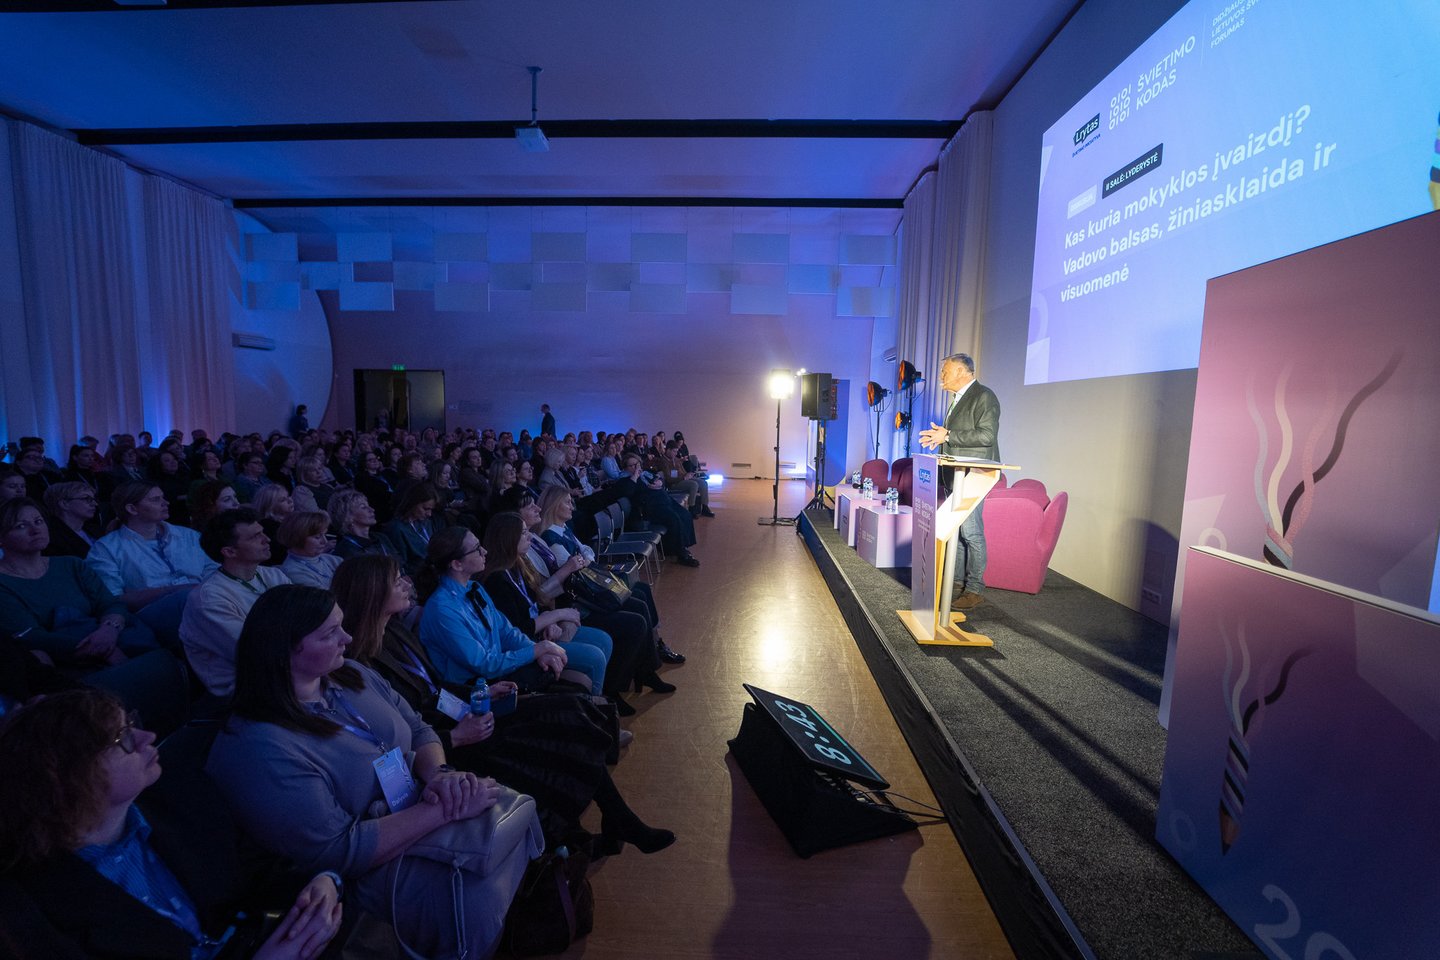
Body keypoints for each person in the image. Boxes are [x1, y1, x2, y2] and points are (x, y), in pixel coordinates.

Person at [206, 586, 542, 960]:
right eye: (330, 633)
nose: (347, 639)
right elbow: (338, 851)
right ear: (286, 649)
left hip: (420, 804)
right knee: (475, 896)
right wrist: (444, 810)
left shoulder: (351, 674)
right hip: (366, 870)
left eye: (341, 626)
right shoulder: (259, 746)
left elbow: (419, 729)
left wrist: (440, 775)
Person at [332, 555, 672, 853]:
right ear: (373, 593)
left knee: (571, 710)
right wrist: (455, 737)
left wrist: (481, 692)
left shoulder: (394, 632)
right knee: (559, 727)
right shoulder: (359, 665)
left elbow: (434, 690)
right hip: (446, 745)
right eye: (396, 581)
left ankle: (613, 820)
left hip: (465, 714)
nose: (407, 583)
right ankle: (589, 831)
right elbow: (396, 735)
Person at [0, 688, 345, 960]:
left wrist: (324, 883)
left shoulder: (182, 795)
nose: (147, 737)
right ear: (70, 779)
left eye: (131, 723)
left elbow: (265, 871)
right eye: (122, 738)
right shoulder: (30, 906)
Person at [479, 511, 634, 704]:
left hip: (543, 631)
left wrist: (549, 622)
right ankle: (595, 706)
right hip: (527, 643)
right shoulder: (496, 580)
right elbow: (518, 628)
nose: (529, 537)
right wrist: (558, 615)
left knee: (604, 640)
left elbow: (535, 603)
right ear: (507, 538)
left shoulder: (518, 565)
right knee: (595, 657)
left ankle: (603, 697)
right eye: (523, 533)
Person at [535, 484, 686, 666]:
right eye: (567, 502)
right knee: (637, 607)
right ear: (554, 505)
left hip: (589, 584)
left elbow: (587, 553)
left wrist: (584, 558)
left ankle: (656, 643)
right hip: (582, 597)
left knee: (642, 589)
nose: (572, 507)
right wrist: (584, 558)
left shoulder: (563, 529)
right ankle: (651, 658)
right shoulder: (551, 537)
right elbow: (575, 567)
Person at [0, 498, 161, 668]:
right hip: (71, 662)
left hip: (116, 637)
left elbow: (110, 604)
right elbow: (31, 636)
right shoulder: (4, 583)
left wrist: (109, 630)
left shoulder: (71, 564)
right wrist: (103, 648)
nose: (35, 530)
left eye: (38, 521)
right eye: (21, 526)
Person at [414, 526, 574, 691]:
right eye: (477, 549)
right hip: (477, 692)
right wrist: (538, 649)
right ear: (457, 564)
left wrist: (536, 652)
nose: (484, 551)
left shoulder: (474, 588)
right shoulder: (442, 610)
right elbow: (485, 665)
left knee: (573, 682)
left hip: (498, 674)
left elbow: (506, 632)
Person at [86, 481, 218, 646]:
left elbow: (214, 570)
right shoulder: (107, 548)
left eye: (163, 497)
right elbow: (113, 600)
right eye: (156, 499)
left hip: (204, 601)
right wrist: (170, 591)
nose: (166, 503)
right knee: (188, 598)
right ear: (132, 509)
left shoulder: (188, 536)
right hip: (150, 613)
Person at [918, 352, 1002, 610]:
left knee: (971, 532)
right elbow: (955, 436)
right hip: (956, 474)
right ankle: (955, 582)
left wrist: (948, 436)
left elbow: (986, 436)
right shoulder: (958, 399)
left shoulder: (984, 396)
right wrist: (941, 440)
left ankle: (975, 589)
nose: (941, 375)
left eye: (945, 371)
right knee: (957, 529)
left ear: (962, 372)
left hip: (975, 474)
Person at [179, 508, 292, 698]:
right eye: (255, 537)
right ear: (230, 551)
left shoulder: (274, 575)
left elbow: (303, 620)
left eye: (262, 533)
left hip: (285, 669)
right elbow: (257, 652)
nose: (267, 539)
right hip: (244, 689)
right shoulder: (209, 599)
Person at [278, 511, 344, 589]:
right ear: (297, 538)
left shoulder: (333, 560)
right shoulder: (294, 571)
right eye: (317, 537)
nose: (325, 541)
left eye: (324, 535)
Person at [328, 490, 397, 561]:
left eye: (368, 506)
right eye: (363, 507)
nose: (372, 509)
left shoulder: (381, 538)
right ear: (348, 516)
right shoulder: (345, 550)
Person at [42, 481, 103, 558]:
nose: (95, 504)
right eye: (87, 499)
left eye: (93, 499)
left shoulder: (96, 530)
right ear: (64, 504)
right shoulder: (52, 539)